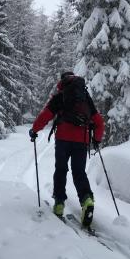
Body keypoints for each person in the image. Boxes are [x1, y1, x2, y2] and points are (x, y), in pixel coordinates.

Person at [29, 71, 105, 227]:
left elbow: (45, 115)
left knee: (61, 170)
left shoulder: (60, 96)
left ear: (62, 82)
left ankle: (59, 203)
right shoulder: (85, 97)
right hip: (81, 142)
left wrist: (34, 130)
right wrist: (96, 139)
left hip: (63, 140)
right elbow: (98, 121)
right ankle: (87, 199)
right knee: (79, 172)